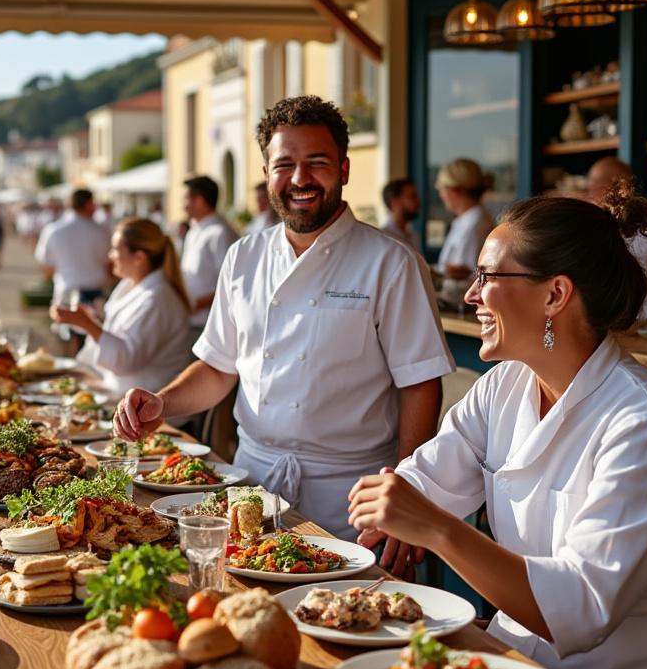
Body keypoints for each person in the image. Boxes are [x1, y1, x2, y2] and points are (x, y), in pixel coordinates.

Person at [345, 184, 647, 669]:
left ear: (555, 294)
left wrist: (431, 527)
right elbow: (423, 482)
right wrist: (393, 509)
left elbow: (576, 612)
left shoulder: (646, 424)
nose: (472, 297)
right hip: (525, 665)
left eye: (489, 278)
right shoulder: (503, 387)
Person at [115, 95, 453, 540]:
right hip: (250, 485)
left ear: (344, 170)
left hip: (352, 498)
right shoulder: (244, 256)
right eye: (284, 164)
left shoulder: (391, 262)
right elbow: (218, 368)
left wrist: (406, 496)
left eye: (317, 162)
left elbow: (421, 384)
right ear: (266, 174)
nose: (300, 178)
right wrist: (163, 402)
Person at [49, 218, 194, 395]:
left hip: (147, 404)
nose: (110, 255)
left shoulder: (159, 300)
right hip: (119, 390)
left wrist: (87, 324)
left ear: (139, 257)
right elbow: (122, 336)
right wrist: (90, 320)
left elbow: (126, 360)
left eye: (116, 249)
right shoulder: (131, 284)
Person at [587, 157, 647, 316]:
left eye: (592, 183)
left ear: (609, 187)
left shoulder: (639, 221)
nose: (589, 189)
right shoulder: (604, 218)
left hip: (641, 318)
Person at [35, 188, 112, 349]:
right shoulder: (101, 231)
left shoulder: (54, 230)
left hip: (67, 291)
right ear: (90, 204)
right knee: (95, 347)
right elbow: (109, 265)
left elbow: (47, 267)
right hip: (95, 293)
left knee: (70, 346)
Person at [179, 175, 240, 332]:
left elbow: (232, 282)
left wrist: (197, 304)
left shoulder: (220, 233)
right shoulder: (195, 230)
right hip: (191, 321)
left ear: (199, 200)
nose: (182, 205)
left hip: (210, 325)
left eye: (186, 199)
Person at [434, 158, 494, 307]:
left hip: (466, 307)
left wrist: (456, 274)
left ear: (455, 191)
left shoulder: (475, 226)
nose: (440, 195)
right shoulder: (467, 221)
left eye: (442, 189)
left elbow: (476, 277)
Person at [379, 177, 422, 255]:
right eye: (412, 197)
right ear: (395, 202)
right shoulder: (384, 238)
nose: (418, 202)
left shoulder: (414, 236)